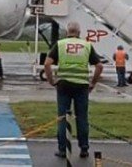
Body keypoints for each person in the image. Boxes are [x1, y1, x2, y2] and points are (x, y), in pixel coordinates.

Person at [44, 21, 103, 159]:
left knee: (62, 117)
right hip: (82, 85)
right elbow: (99, 66)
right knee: (82, 117)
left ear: (67, 32)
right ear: (79, 33)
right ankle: (84, 148)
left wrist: (51, 80)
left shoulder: (60, 44)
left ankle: (63, 149)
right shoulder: (87, 45)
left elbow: (47, 64)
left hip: (64, 85)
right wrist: (92, 82)